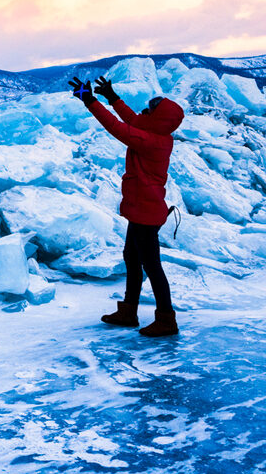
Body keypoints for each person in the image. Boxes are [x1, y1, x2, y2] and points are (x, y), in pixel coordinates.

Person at [69, 75, 184, 337]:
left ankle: (166, 319)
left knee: (151, 266)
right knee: (133, 259)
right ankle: (128, 311)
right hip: (141, 210)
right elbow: (132, 120)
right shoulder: (154, 132)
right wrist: (111, 97)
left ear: (158, 119)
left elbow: (118, 128)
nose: (145, 110)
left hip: (146, 213)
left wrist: (90, 101)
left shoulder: (151, 142)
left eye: (151, 109)